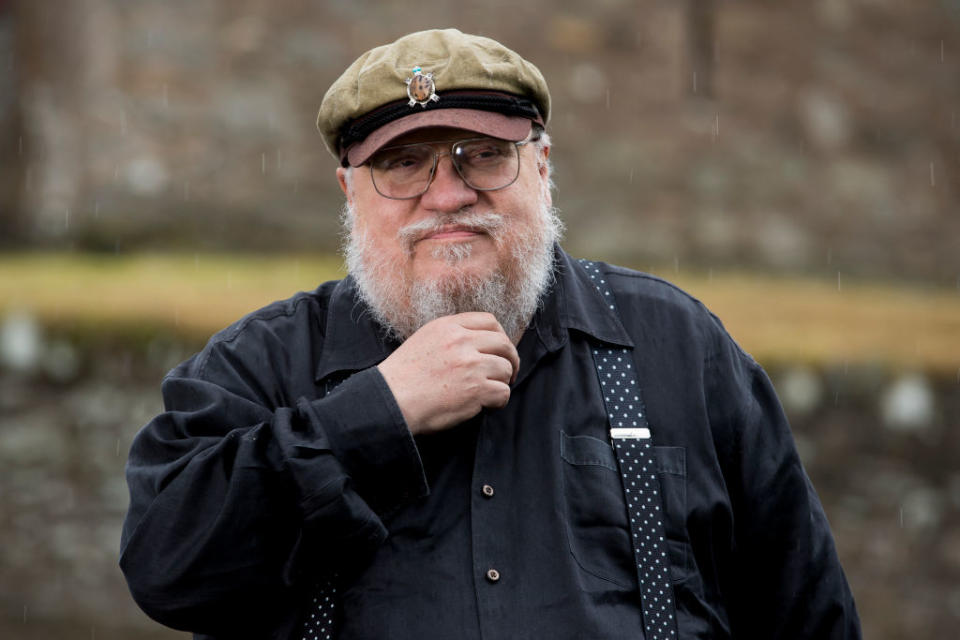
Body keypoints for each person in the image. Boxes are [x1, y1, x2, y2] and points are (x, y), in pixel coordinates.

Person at [120, 28, 861, 640]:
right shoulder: (264, 363)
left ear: (541, 165)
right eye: (402, 164)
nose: (447, 194)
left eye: (482, 154)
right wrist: (374, 415)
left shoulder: (681, 347)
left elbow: (809, 616)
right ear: (349, 191)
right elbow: (167, 567)